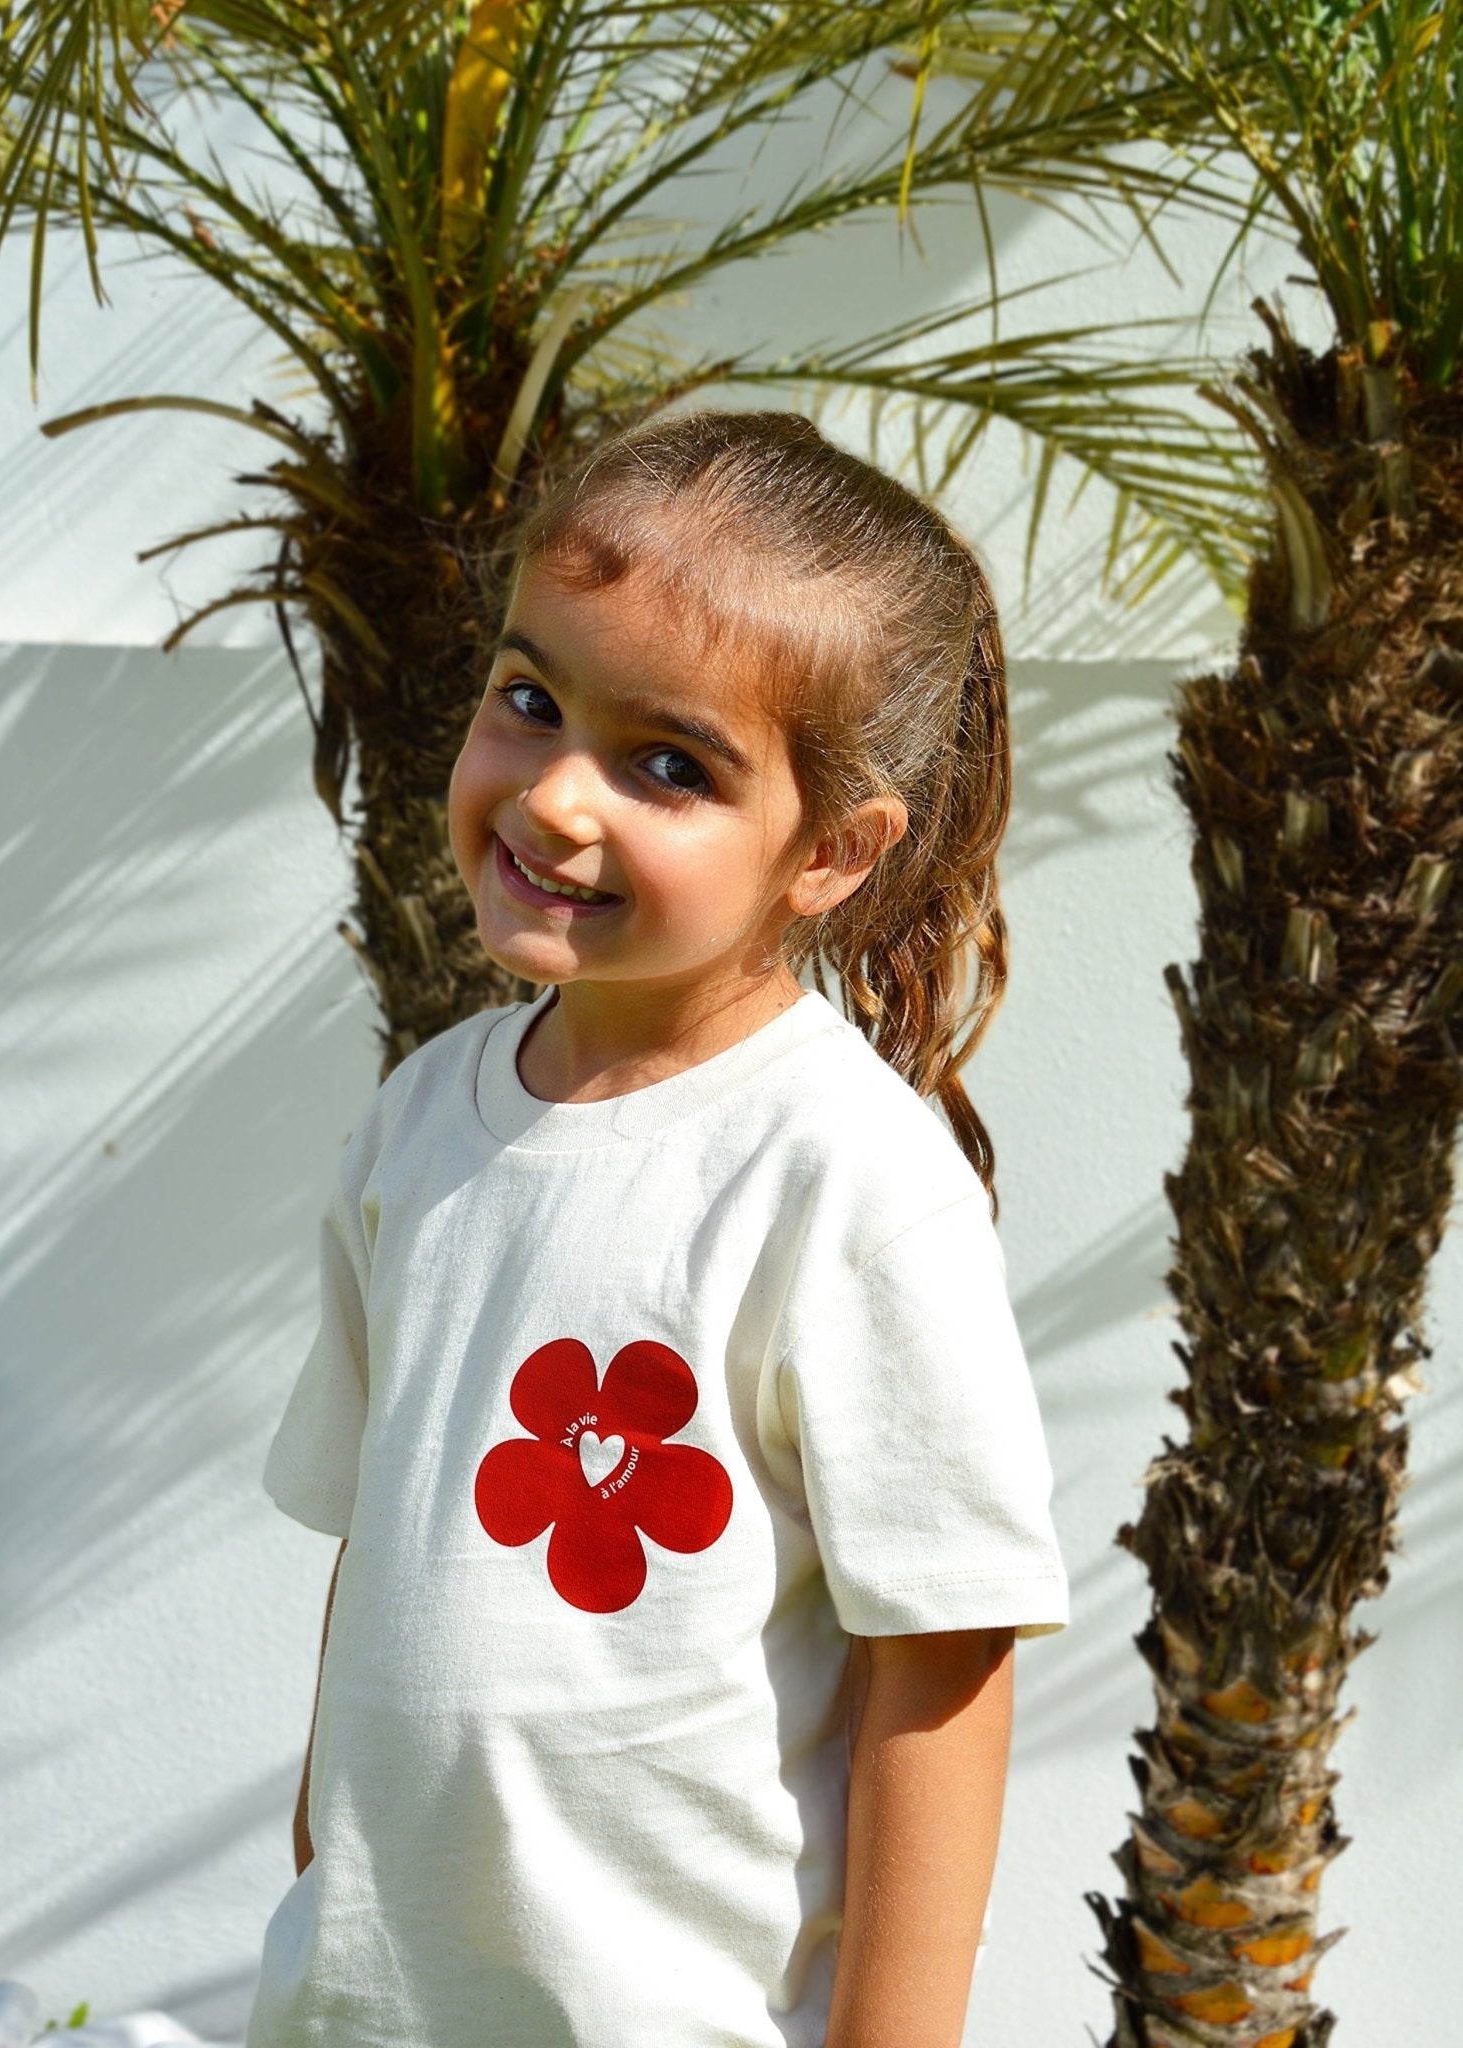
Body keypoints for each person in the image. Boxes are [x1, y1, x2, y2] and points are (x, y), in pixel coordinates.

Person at [246, 409, 1068, 2048]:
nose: (553, 799)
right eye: (529, 699)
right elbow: (377, 1538)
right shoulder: (419, 1120)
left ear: (829, 851)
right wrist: (325, 1866)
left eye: (667, 765)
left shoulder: (838, 1176)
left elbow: (943, 1657)